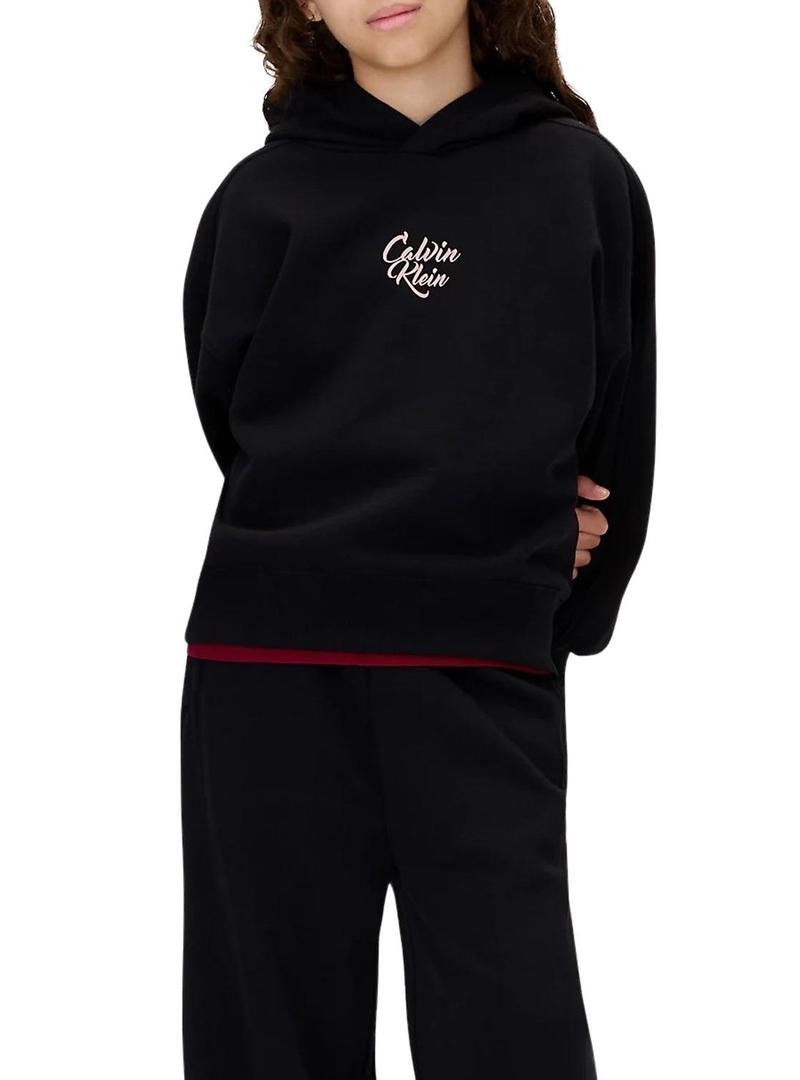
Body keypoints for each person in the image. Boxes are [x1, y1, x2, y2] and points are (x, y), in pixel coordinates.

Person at [179, 1, 656, 1077]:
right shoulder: (260, 198)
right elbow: (242, 424)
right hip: (267, 674)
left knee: (512, 1033)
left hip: (481, 670)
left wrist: (551, 589)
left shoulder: (580, 181)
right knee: (268, 1040)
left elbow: (618, 425)